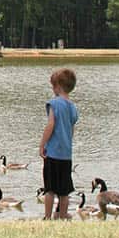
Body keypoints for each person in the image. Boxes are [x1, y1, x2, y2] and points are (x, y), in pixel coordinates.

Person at [39, 67, 78, 220]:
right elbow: (72, 129)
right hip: (66, 155)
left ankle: (47, 217)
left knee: (50, 189)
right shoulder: (73, 107)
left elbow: (50, 125)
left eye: (53, 86)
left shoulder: (54, 104)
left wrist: (42, 144)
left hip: (53, 153)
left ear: (58, 86)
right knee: (64, 191)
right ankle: (62, 216)